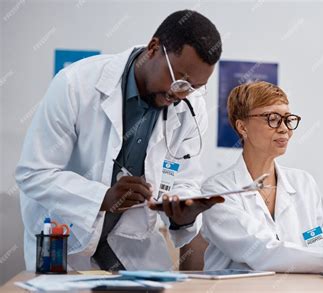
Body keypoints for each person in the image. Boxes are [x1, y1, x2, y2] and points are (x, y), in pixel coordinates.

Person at [16, 10, 223, 271]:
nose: (181, 94)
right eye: (179, 79)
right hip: (65, 242)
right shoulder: (75, 85)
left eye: (193, 86)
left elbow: (185, 178)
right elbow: (33, 173)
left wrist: (183, 211)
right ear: (153, 48)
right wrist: (102, 197)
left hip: (133, 247)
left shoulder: (190, 107)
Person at [200, 81, 323, 273]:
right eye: (272, 118)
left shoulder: (303, 183)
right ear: (243, 127)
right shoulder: (218, 191)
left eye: (288, 119)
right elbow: (262, 252)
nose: (284, 128)